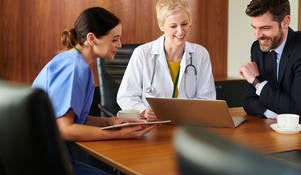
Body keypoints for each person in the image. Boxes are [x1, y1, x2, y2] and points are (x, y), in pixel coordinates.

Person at [32, 7, 156, 175]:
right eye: (115, 39)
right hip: (45, 164)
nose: (119, 44)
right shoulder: (75, 69)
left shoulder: (72, 61)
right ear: (92, 38)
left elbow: (71, 118)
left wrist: (111, 122)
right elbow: (65, 129)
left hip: (47, 156)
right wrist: (119, 135)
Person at [117, 0, 216, 120]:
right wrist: (143, 111)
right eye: (173, 26)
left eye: (184, 24)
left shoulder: (200, 54)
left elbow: (208, 99)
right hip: (152, 126)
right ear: (161, 26)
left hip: (188, 124)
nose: (180, 31)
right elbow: (126, 96)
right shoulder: (142, 54)